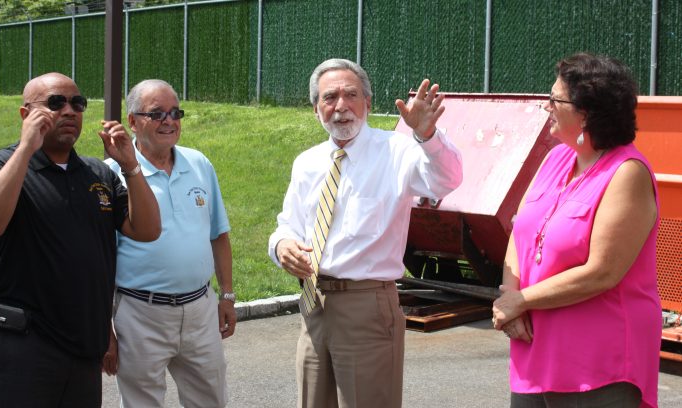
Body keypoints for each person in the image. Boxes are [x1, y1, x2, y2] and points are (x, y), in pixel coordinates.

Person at [268, 58, 463, 408]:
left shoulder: (397, 151)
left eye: (351, 95)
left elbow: (446, 180)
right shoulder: (307, 163)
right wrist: (281, 245)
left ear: (368, 104)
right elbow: (288, 224)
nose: (341, 106)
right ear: (316, 110)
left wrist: (427, 136)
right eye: (330, 98)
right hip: (314, 306)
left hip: (367, 306)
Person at [492, 53, 660, 407]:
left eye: (555, 99)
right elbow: (520, 230)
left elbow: (602, 272)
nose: (546, 106)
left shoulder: (627, 172)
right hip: (534, 350)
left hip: (596, 361)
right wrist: (510, 298)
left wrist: (520, 301)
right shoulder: (556, 157)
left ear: (585, 113)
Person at [0, 73, 161, 407]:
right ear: (26, 115)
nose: (69, 111)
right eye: (56, 103)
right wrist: (27, 148)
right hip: (22, 348)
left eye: (77, 103)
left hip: (83, 348)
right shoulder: (2, 164)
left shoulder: (98, 174)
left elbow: (147, 230)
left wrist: (131, 167)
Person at [101, 79, 235, 408]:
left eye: (175, 113)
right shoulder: (109, 174)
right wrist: (105, 329)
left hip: (200, 310)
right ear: (132, 121)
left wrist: (228, 295)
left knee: (211, 401)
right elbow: (97, 260)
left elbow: (218, 234)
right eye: (157, 113)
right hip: (139, 314)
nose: (169, 121)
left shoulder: (199, 164)